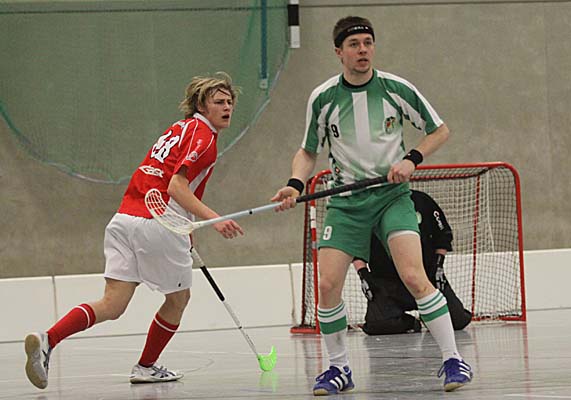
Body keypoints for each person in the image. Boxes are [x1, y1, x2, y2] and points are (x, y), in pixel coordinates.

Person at [271, 16, 473, 395]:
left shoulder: (396, 88)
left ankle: (453, 359)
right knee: (327, 284)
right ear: (339, 52)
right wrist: (295, 183)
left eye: (367, 43)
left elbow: (439, 130)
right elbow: (308, 150)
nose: (362, 50)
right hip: (346, 203)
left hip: (392, 198)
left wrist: (411, 159)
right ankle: (339, 368)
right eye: (354, 45)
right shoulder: (323, 98)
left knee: (414, 276)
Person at [24, 73, 244, 389]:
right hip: (158, 222)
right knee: (178, 299)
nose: (227, 107)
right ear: (201, 106)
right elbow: (176, 186)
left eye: (230, 102)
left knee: (112, 304)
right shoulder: (205, 138)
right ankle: (146, 366)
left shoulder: (178, 129)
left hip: (124, 219)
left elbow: (163, 178)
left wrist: (185, 224)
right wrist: (215, 220)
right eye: (219, 102)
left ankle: (48, 339)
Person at [353, 189, 473, 335]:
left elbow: (443, 235)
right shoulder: (368, 208)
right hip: (387, 282)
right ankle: (411, 322)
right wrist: (364, 275)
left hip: (426, 277)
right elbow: (356, 245)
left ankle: (431, 317)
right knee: (379, 325)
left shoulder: (421, 201)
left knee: (456, 320)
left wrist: (438, 267)